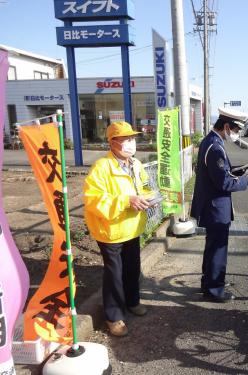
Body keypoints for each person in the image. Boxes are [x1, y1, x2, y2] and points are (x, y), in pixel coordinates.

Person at [84, 121, 152, 337]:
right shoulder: (101, 167)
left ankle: (132, 302)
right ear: (112, 143)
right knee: (114, 274)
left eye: (132, 139)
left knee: (133, 268)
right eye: (125, 140)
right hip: (111, 231)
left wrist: (150, 198)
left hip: (133, 227)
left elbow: (146, 187)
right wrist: (126, 201)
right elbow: (93, 200)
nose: (131, 143)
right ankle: (113, 317)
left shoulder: (136, 164)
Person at [190, 107, 248, 303]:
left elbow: (222, 172)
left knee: (212, 247)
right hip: (216, 207)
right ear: (226, 126)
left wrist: (239, 171)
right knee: (218, 250)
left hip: (211, 205)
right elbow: (224, 182)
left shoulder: (211, 141)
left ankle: (207, 283)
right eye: (235, 130)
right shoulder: (215, 147)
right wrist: (246, 181)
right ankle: (214, 290)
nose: (236, 134)